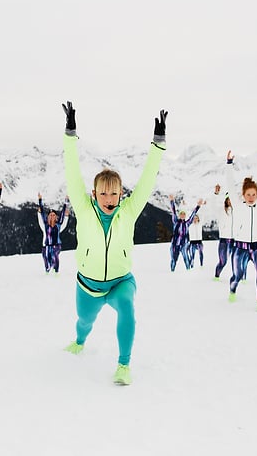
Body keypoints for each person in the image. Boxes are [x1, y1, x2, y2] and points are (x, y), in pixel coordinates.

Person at [61, 101, 167, 386]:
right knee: (84, 321)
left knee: (128, 310)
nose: (109, 199)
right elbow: (72, 174)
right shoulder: (83, 209)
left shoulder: (128, 211)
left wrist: (158, 144)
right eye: (104, 193)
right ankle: (80, 341)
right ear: (94, 194)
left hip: (121, 281)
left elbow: (147, 180)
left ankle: (123, 365)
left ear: (122, 194)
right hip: (88, 285)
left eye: (115, 193)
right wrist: (70, 136)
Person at [224, 149, 257, 311]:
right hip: (240, 247)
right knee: (237, 275)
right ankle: (232, 290)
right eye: (248, 194)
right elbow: (230, 185)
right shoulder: (238, 205)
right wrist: (229, 164)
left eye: (254, 194)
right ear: (244, 194)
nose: (251, 197)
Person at [37, 193, 70, 274]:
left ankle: (56, 271)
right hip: (46, 245)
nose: (52, 216)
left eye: (53, 215)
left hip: (56, 245)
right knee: (46, 258)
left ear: (56, 217)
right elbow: (41, 215)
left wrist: (66, 203)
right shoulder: (45, 226)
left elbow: (63, 217)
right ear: (48, 217)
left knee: (54, 255)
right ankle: (47, 270)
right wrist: (40, 201)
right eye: (50, 215)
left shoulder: (58, 226)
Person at [168, 195, 203, 272]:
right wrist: (171, 201)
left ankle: (188, 272)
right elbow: (173, 212)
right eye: (181, 214)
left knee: (186, 258)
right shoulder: (176, 222)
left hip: (184, 244)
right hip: (175, 244)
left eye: (184, 214)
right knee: (174, 259)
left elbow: (193, 214)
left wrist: (198, 206)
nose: (182, 215)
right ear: (179, 215)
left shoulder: (187, 223)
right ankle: (172, 272)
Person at [212, 184, 234, 282]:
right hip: (224, 240)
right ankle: (216, 276)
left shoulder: (238, 211)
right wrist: (216, 193)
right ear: (226, 200)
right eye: (228, 199)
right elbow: (213, 204)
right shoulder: (221, 211)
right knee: (222, 261)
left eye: (232, 199)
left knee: (237, 261)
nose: (230, 201)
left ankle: (240, 278)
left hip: (235, 240)